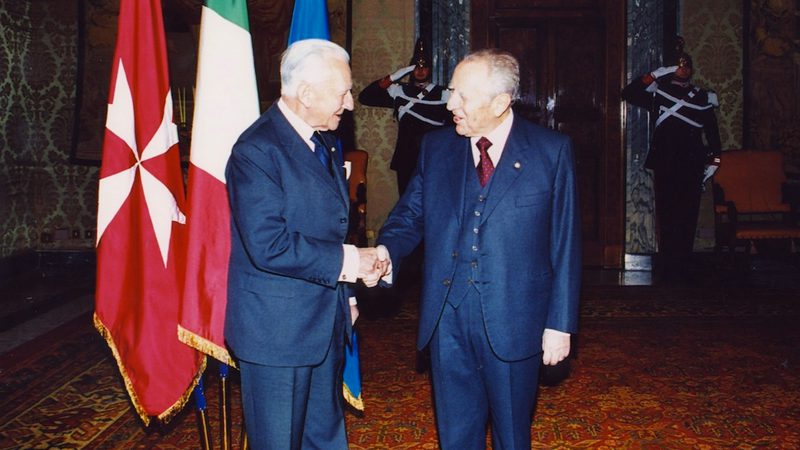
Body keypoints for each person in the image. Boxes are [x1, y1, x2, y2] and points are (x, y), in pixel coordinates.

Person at [375, 49, 581, 450]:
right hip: (446, 318)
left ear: (501, 102)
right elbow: (409, 217)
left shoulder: (550, 151)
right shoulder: (435, 148)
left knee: (511, 434)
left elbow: (565, 242)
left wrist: (560, 323)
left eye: (462, 96)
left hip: (515, 318)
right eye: (452, 92)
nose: (450, 104)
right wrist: (385, 251)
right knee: (455, 435)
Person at [224, 39, 384, 450]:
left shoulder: (324, 139)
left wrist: (343, 295)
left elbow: (329, 225)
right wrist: (350, 263)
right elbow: (268, 244)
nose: (349, 104)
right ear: (307, 93)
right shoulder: (256, 150)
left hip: (323, 321)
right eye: (342, 92)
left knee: (325, 440)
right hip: (276, 333)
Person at [621, 38, 721, 283]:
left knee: (688, 214)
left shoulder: (702, 97)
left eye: (687, 65)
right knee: (667, 214)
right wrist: (657, 73)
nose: (683, 69)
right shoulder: (659, 94)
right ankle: (668, 264)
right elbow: (628, 93)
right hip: (666, 161)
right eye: (678, 65)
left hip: (692, 162)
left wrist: (715, 160)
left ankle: (684, 264)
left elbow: (712, 131)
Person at [358, 38, 451, 195]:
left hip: (434, 157)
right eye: (416, 66)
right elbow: (366, 97)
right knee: (407, 205)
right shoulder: (400, 92)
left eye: (424, 67)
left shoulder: (443, 94)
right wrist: (393, 77)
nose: (420, 71)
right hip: (406, 158)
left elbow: (450, 127)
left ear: (430, 69)